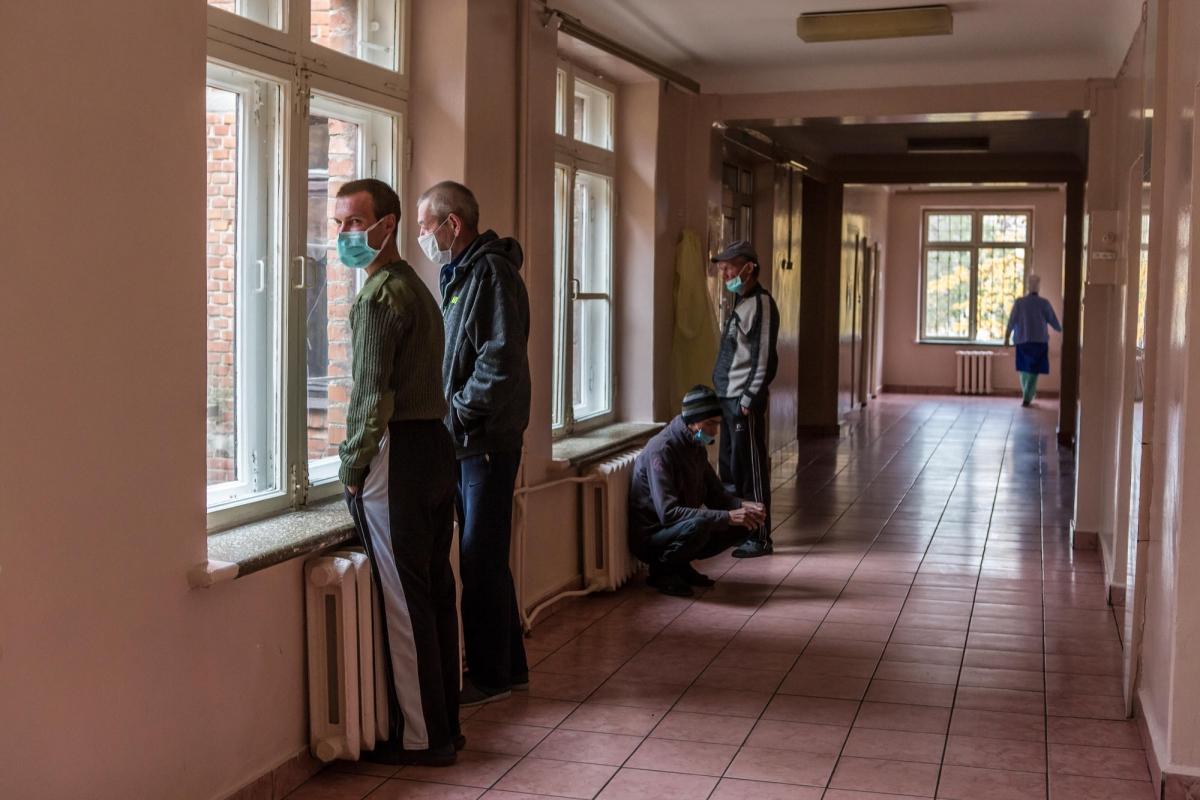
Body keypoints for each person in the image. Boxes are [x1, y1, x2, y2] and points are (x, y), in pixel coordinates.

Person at [336, 179, 461, 766]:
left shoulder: (379, 298)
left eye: (355, 223)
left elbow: (370, 399)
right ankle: (446, 725)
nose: (344, 235)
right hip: (436, 447)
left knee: (406, 601)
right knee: (436, 590)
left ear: (387, 224)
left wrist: (352, 467)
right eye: (339, 224)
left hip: (401, 455)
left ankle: (422, 739)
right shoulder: (417, 286)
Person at [416, 181, 532, 708]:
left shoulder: (491, 273)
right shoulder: (462, 274)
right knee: (485, 558)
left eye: (426, 228)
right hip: (469, 441)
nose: (425, 237)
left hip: (483, 440)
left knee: (480, 559)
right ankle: (508, 667)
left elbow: (500, 362)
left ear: (452, 224)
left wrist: (456, 412)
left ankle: (488, 677)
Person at [629, 386, 767, 597]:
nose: (715, 432)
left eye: (717, 424)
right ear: (692, 421)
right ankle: (662, 571)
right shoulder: (662, 450)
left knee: (746, 522)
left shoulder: (695, 446)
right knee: (702, 524)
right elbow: (668, 514)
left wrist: (743, 507)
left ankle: (681, 566)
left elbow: (716, 494)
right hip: (652, 536)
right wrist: (727, 516)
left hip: (678, 528)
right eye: (710, 424)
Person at [711, 240, 779, 558]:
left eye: (729, 267)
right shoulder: (740, 302)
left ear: (748, 268)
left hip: (742, 400)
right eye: (721, 269)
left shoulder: (761, 303)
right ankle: (742, 529)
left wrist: (749, 396)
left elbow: (763, 356)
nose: (724, 274)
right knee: (731, 467)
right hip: (728, 397)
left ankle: (761, 537)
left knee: (750, 468)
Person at [1004, 273, 1062, 407]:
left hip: (1022, 341)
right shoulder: (1044, 303)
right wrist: (1061, 329)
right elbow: (1053, 320)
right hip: (1039, 342)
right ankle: (1028, 395)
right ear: (1038, 288)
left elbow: (1012, 320)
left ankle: (1027, 394)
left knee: (1024, 369)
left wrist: (1007, 337)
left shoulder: (1020, 303)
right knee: (1034, 371)